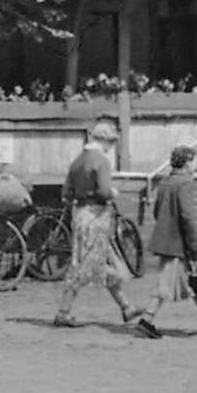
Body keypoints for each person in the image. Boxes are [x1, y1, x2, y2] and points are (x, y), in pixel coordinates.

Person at [53, 121, 144, 328]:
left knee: (99, 262)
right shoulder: (101, 161)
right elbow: (104, 191)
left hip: (80, 216)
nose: (110, 146)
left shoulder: (76, 161)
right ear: (103, 140)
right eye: (110, 141)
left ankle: (126, 307)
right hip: (97, 216)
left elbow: (66, 194)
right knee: (87, 264)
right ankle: (63, 312)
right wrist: (113, 193)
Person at [135, 144, 197, 339]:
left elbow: (158, 210)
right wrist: (194, 240)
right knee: (166, 282)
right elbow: (186, 215)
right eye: (190, 162)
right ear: (185, 163)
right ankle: (147, 319)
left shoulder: (166, 182)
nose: (192, 167)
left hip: (167, 238)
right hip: (178, 241)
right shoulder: (185, 183)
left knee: (191, 278)